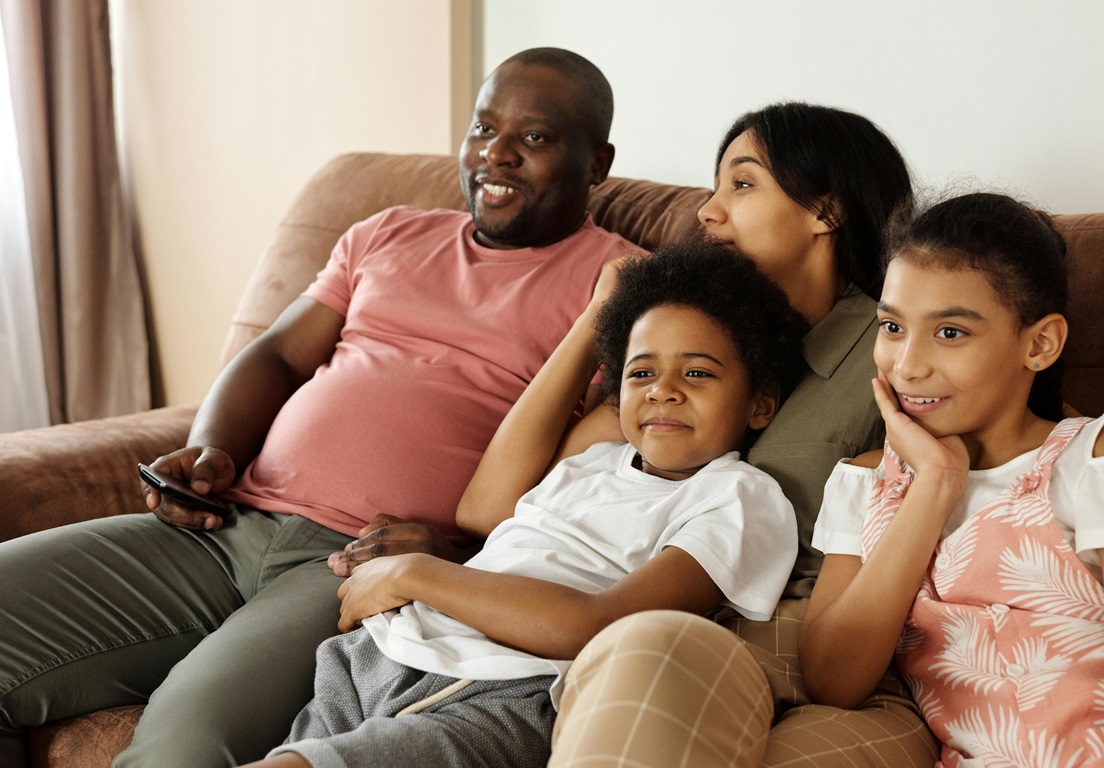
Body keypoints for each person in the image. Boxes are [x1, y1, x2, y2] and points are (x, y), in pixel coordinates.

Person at [0, 47, 640, 767]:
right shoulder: (388, 232)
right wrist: (215, 449)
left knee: (183, 743)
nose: (497, 155)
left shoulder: (618, 289)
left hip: (352, 568)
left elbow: (592, 477)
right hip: (227, 526)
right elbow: (276, 354)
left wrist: (460, 556)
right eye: (485, 128)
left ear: (598, 162)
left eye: (535, 139)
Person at [241, 241, 807, 768]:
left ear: (760, 403)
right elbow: (483, 511)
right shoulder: (593, 460)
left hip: (505, 691)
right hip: (381, 650)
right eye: (641, 372)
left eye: (698, 372)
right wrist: (598, 314)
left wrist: (414, 574)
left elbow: (595, 626)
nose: (662, 389)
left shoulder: (739, 496)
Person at [800, 192, 1104, 767]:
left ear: (1039, 343)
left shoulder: (1102, 463)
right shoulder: (865, 483)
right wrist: (934, 486)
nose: (906, 365)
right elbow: (833, 680)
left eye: (950, 333)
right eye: (893, 326)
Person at [533, 102, 944, 767]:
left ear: (826, 212)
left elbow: (1029, 430)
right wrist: (595, 323)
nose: (708, 211)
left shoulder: (894, 347)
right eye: (716, 186)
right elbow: (514, 497)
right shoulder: (688, 349)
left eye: (742, 184)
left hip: (815, 645)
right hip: (668, 629)